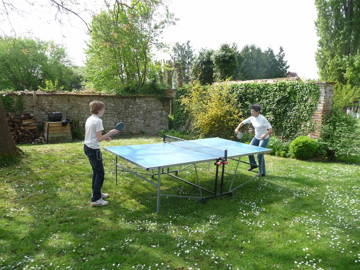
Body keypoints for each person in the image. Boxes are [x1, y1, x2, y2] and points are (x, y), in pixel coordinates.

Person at [84, 100, 119, 206]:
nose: (104, 111)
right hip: (93, 150)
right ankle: (96, 200)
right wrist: (110, 133)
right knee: (100, 173)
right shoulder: (98, 121)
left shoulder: (90, 119)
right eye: (103, 109)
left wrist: (106, 137)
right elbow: (98, 138)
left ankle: (97, 193)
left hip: (87, 147)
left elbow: (94, 135)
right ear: (99, 110)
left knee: (96, 172)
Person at [235, 104, 272, 177]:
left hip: (264, 138)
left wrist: (264, 135)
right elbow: (242, 122)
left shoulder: (263, 119)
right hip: (256, 137)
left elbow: (270, 130)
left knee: (259, 154)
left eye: (252, 111)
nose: (251, 112)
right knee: (249, 150)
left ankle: (262, 172)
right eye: (251, 111)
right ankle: (253, 165)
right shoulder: (252, 118)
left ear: (257, 112)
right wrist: (237, 128)